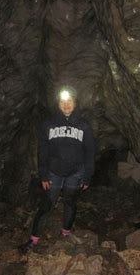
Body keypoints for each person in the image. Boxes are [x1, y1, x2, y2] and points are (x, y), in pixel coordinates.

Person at [19, 86, 95, 253]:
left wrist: (87, 176)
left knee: (70, 202)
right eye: (63, 101)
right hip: (53, 172)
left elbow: (89, 152)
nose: (66, 105)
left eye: (70, 101)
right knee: (47, 204)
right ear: (58, 103)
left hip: (75, 173)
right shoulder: (48, 124)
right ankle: (34, 239)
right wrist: (43, 174)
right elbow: (43, 151)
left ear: (75, 103)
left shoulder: (84, 126)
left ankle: (66, 232)